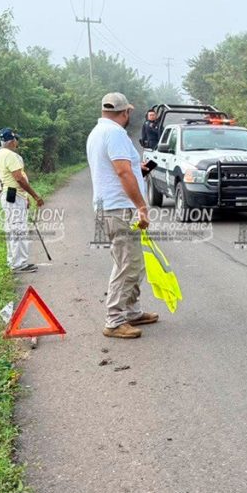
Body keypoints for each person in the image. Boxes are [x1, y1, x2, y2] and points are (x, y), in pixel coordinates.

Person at [87, 93, 158, 339]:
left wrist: (138, 169)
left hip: (110, 206)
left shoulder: (97, 132)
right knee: (128, 264)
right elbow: (122, 172)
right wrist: (141, 206)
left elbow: (121, 167)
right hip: (120, 208)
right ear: (125, 112)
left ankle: (131, 311)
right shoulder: (116, 133)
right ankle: (115, 319)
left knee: (132, 262)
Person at [0, 127, 44, 274]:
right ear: (12, 140)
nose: (17, 142)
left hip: (12, 194)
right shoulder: (10, 155)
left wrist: (25, 197)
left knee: (12, 228)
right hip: (13, 194)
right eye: (15, 139)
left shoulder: (0, 153)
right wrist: (35, 196)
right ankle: (19, 264)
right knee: (19, 229)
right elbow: (19, 178)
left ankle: (13, 261)